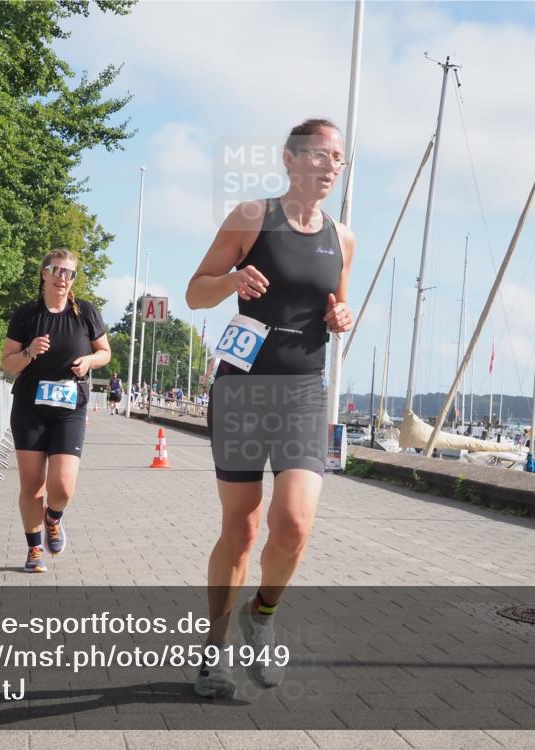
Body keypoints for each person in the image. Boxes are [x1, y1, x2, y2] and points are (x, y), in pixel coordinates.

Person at [185, 118, 355, 698]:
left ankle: (261, 615)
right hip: (243, 387)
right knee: (242, 528)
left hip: (305, 389)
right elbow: (195, 291)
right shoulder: (252, 217)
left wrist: (342, 319)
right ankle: (213, 649)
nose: (333, 166)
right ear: (291, 159)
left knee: (294, 524)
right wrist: (232, 277)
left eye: (340, 159)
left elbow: (338, 308)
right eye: (323, 155)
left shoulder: (343, 237)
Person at [0, 249, 111, 573]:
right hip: (30, 407)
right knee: (32, 485)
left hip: (69, 408)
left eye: (69, 273)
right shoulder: (26, 315)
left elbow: (104, 351)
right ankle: (34, 549)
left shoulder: (85, 313)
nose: (63, 277)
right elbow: (7, 364)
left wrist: (89, 360)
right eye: (57, 271)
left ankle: (53, 518)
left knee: (62, 487)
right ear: (44, 273)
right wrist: (29, 353)